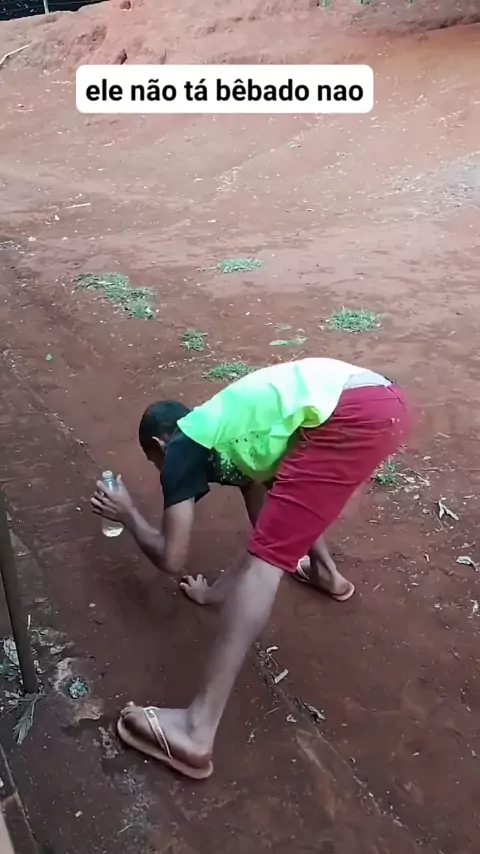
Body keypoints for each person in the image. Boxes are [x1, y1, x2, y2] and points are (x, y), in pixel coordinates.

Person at [91, 357, 410, 779]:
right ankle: (327, 575)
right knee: (284, 516)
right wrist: (212, 593)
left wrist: (128, 514)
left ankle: (196, 729)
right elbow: (272, 518)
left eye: (155, 462)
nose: (161, 471)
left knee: (266, 563)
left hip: (354, 410)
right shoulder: (234, 438)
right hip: (381, 401)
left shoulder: (184, 446)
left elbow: (173, 558)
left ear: (161, 443)